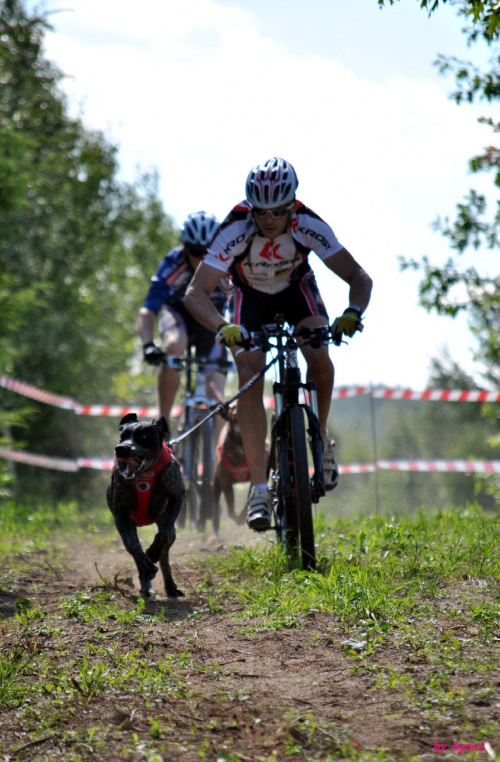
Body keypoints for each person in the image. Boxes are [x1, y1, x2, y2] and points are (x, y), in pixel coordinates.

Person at [184, 157, 373, 531]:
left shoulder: (308, 223)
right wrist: (223, 327)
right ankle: (258, 488)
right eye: (261, 212)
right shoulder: (234, 228)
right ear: (250, 208)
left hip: (295, 291)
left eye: (278, 211)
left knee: (319, 354)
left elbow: (358, 276)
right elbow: (195, 294)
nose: (269, 219)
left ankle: (321, 438)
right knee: (249, 373)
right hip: (249, 297)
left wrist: (352, 312)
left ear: (293, 206)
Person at [138, 211, 228, 423]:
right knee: (174, 346)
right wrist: (148, 344)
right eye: (196, 252)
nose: (202, 259)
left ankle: (215, 452)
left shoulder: (227, 266)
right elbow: (148, 310)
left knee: (218, 396)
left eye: (208, 252)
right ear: (185, 248)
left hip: (211, 320)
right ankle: (163, 423)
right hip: (178, 316)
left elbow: (241, 305)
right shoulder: (173, 263)